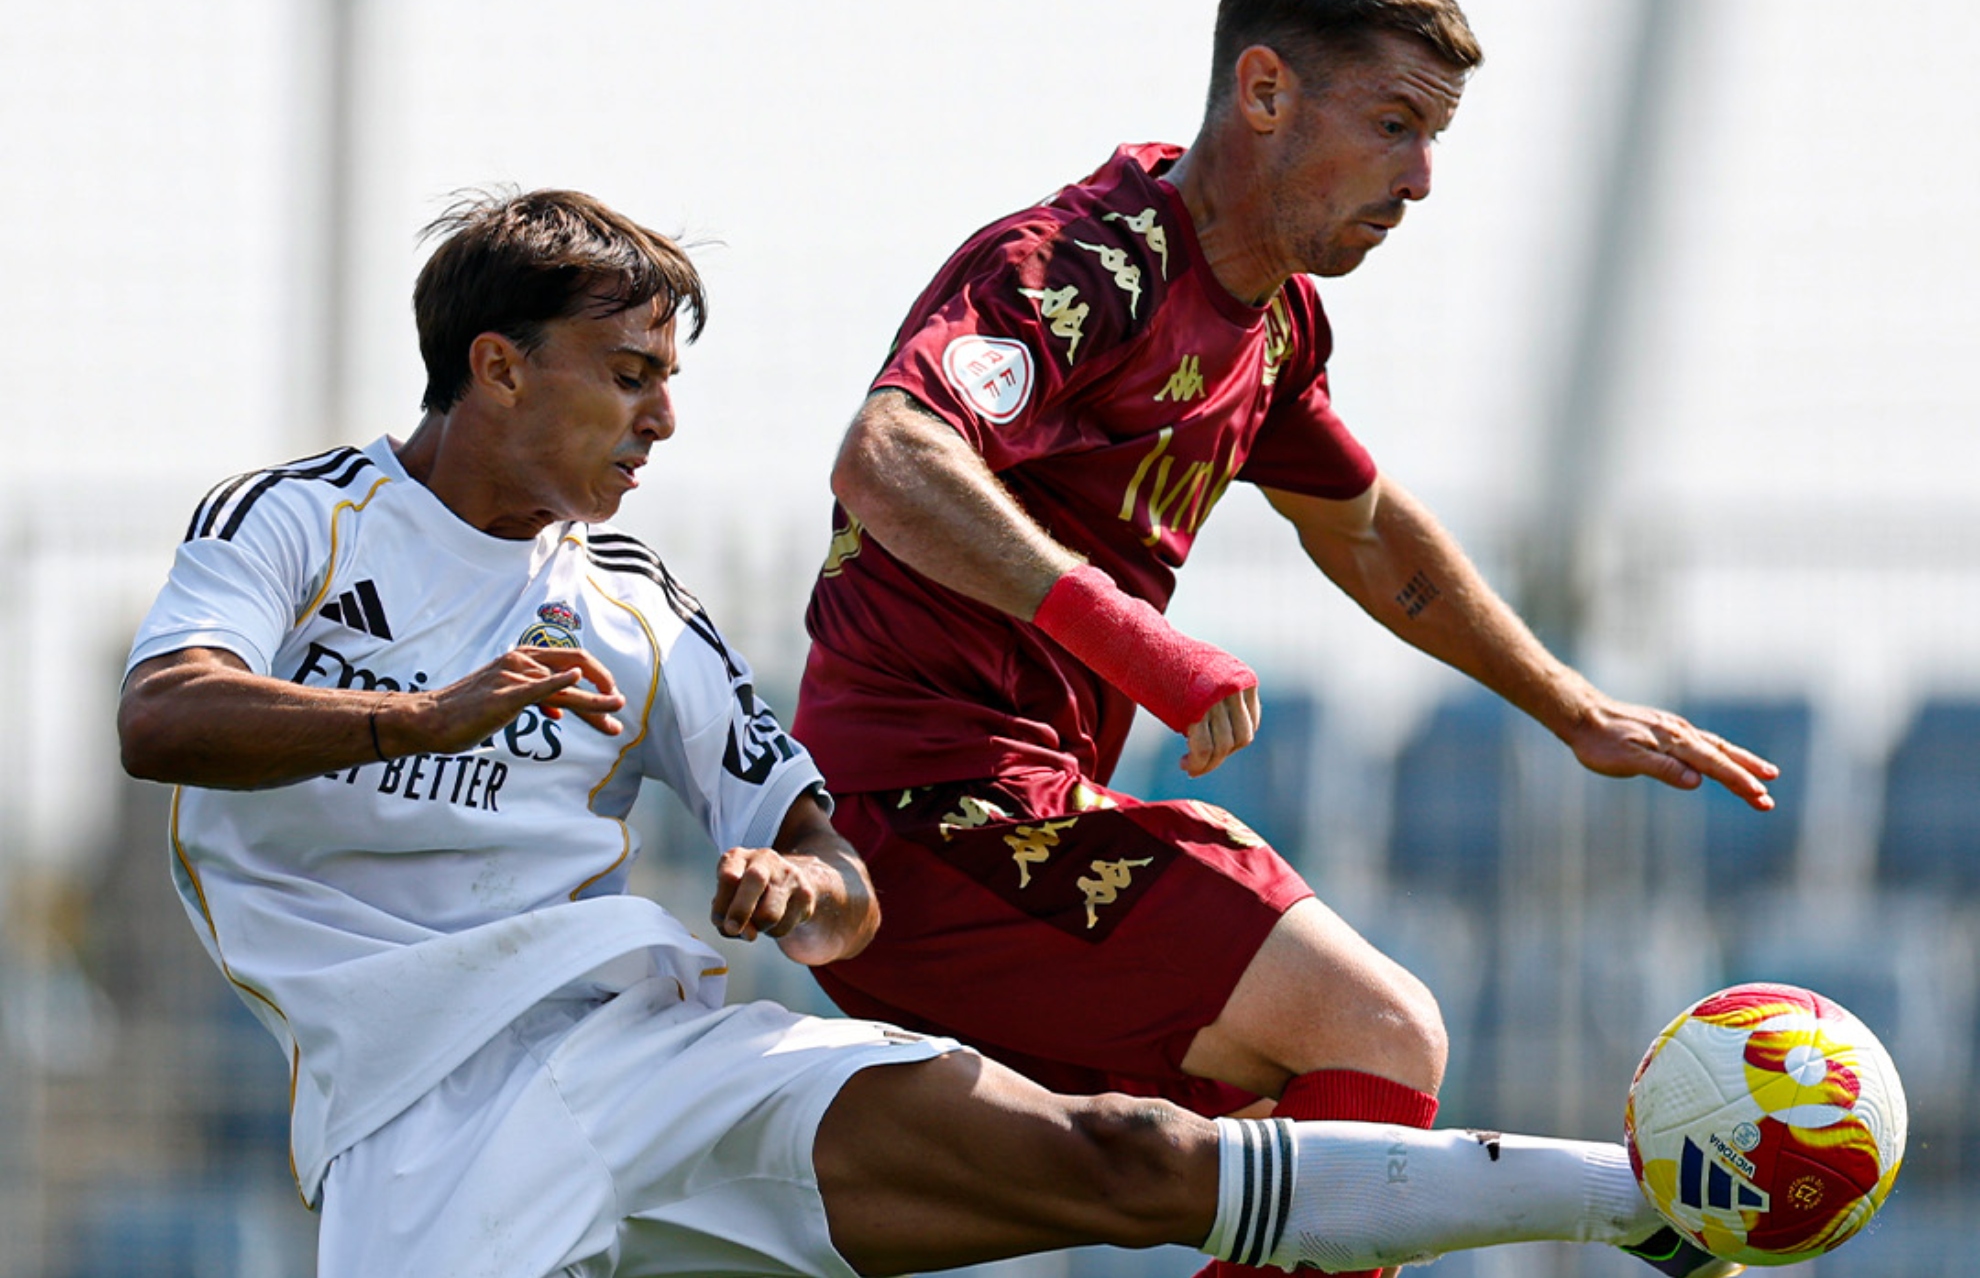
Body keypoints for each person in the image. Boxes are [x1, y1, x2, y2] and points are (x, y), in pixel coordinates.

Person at [116, 188, 1733, 1277]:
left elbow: (835, 865)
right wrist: (434, 710)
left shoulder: (632, 600)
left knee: (1122, 1156)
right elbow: (163, 715)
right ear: (495, 365)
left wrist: (795, 893)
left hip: (642, 1048)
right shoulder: (299, 524)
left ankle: (1658, 1198)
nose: (665, 420)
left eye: (672, 379)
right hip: (412, 1130)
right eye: (627, 376)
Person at [793, 0, 1768, 1277]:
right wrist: (1142, 646)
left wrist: (1569, 705)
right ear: (1264, 91)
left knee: (1296, 1145)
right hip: (923, 819)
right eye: (1395, 126)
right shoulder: (1088, 264)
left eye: (1435, 139)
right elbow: (888, 457)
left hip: (1009, 826)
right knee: (1377, 1035)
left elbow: (1363, 526)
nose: (1421, 179)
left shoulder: (1275, 325)